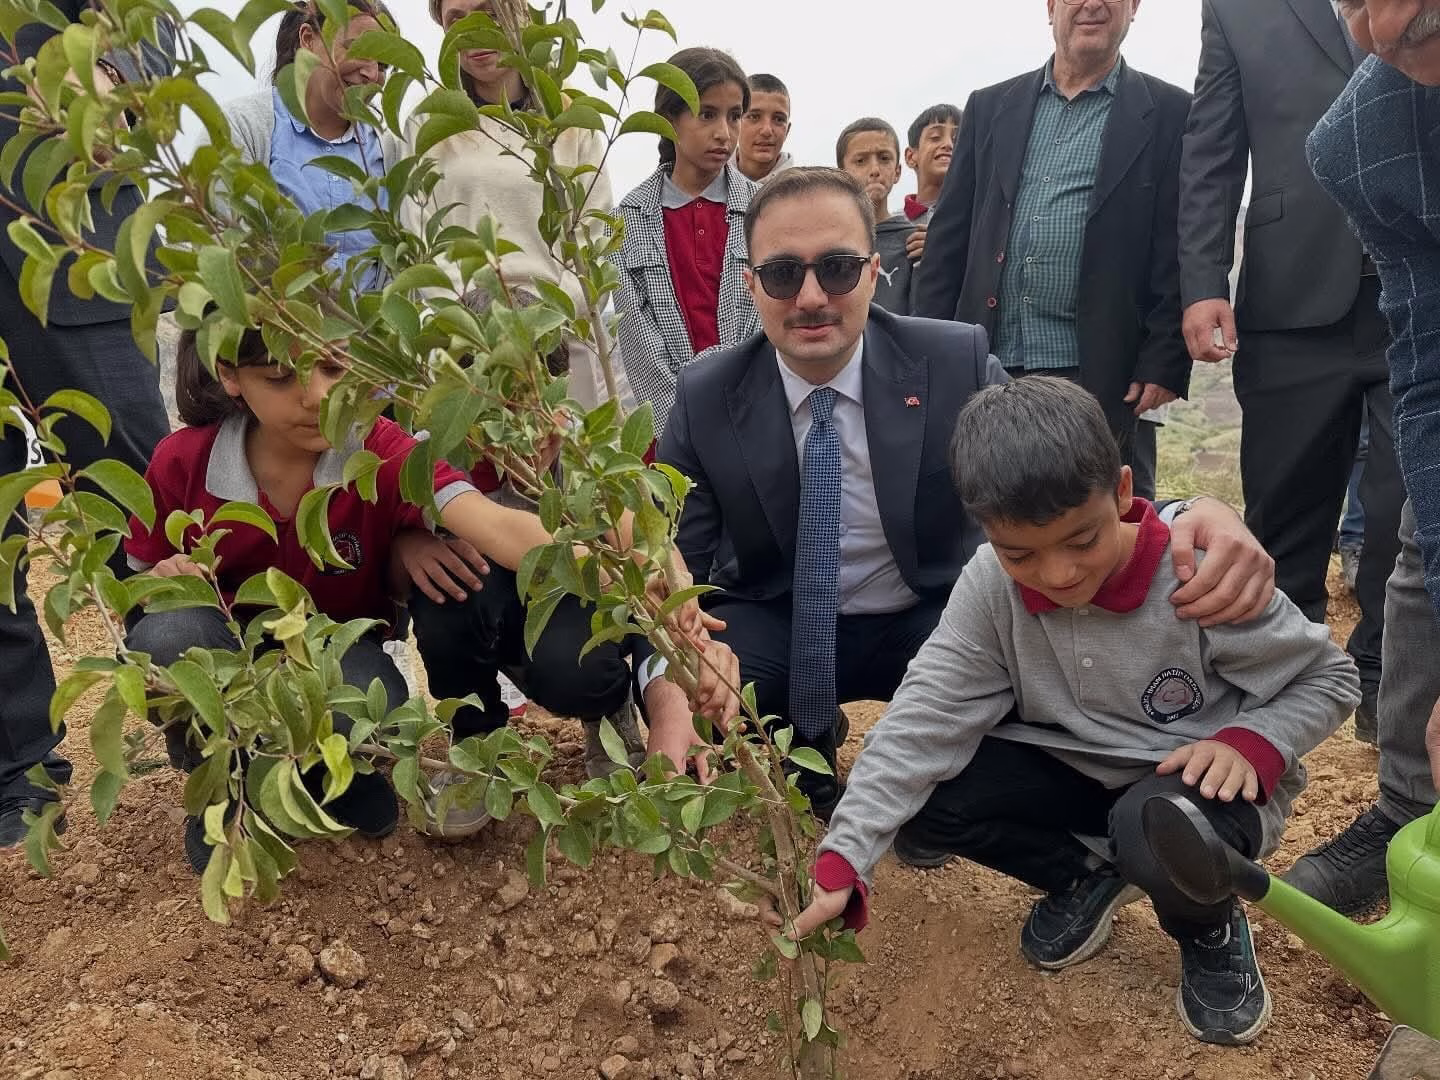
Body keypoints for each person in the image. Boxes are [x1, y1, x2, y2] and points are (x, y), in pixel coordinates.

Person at [640, 167, 1279, 822]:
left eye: (836, 269)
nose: (810, 297)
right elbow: (668, 560)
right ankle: (806, 732)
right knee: (701, 693)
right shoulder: (708, 392)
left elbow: (1059, 472)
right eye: (781, 274)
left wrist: (1192, 512)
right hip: (777, 612)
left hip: (931, 612)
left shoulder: (951, 362)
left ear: (873, 272)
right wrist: (670, 694)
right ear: (751, 284)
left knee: (1001, 739)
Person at [785, 377, 1358, 1046]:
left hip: (1198, 788)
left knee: (1156, 828)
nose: (1058, 574)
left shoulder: (1198, 575)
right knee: (931, 794)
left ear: (1122, 492)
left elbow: (1329, 677)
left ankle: (1207, 928)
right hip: (1080, 768)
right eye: (1021, 553)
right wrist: (844, 860)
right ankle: (1087, 879)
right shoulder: (990, 587)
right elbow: (919, 722)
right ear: (987, 531)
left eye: (1082, 540)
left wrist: (1250, 741)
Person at [121, 328, 699, 864]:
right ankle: (222, 785)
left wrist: (628, 573)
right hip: (230, 649)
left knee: (376, 717)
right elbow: (136, 590)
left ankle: (323, 774)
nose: (316, 396)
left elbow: (497, 526)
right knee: (169, 634)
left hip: (332, 652)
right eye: (279, 378)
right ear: (229, 375)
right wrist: (164, 581)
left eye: (333, 368)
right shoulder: (184, 462)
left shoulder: (381, 449)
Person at [1178, 0, 1405, 739]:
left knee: (1405, 513)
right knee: (1283, 511)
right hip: (1289, 291)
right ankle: (1281, 679)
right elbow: (1211, 152)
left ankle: (1386, 683)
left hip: (1415, 283)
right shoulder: (1235, 8)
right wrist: (1204, 281)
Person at [0, 3, 175, 848]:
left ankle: (222, 725)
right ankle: (17, 770)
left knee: (141, 499)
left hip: (73, 243)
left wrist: (119, 79)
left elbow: (150, 23)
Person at [1282, 0, 1440, 915]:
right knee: (1424, 547)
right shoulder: (1365, 139)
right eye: (1348, 1)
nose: (1376, 32)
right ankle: (1409, 810)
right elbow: (1431, 373)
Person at [913, 0, 1190, 500]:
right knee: (982, 511)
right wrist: (926, 350)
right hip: (987, 362)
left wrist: (1165, 356)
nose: (1092, 4)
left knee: (1098, 514)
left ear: (1134, 7)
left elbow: (1179, 241)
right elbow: (949, 242)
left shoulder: (1171, 112)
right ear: (1050, 7)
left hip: (1102, 371)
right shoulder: (989, 106)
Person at [404, 0, 625, 410]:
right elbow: (421, 239)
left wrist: (547, 316)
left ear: (520, 13)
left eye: (489, 13)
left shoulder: (569, 117)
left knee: (564, 448)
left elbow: (594, 239)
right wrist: (468, 318)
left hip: (559, 342)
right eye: (456, 20)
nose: (473, 31)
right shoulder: (429, 121)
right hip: (469, 347)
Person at [613, 47, 760, 434]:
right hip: (672, 430)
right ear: (668, 120)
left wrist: (742, 408)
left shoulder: (764, 210)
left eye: (734, 116)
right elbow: (637, 336)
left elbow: (766, 320)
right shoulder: (628, 219)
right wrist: (684, 425)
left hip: (755, 417)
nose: (724, 133)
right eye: (706, 114)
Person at [219, 1, 391, 292]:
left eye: (384, 64)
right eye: (359, 49)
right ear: (308, 39)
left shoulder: (387, 151)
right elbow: (227, 244)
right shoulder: (243, 127)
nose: (372, 74)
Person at [736, 73, 794, 185]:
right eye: (754, 117)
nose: (766, 131)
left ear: (787, 130)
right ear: (735, 123)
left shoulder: (803, 190)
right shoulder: (708, 181)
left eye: (778, 119)